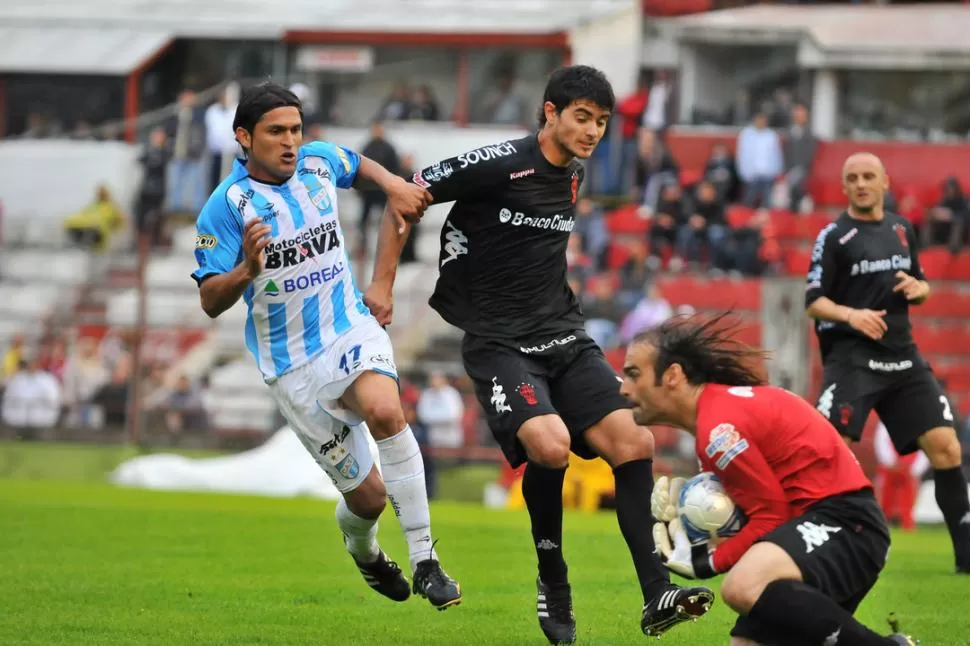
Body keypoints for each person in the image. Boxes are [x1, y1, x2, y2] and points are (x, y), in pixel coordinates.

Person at [364, 65, 713, 644]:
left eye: (601, 122)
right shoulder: (499, 161)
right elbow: (405, 197)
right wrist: (382, 285)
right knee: (549, 446)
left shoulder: (572, 175)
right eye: (582, 117)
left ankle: (658, 593)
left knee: (637, 442)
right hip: (500, 341)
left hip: (562, 333)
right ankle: (554, 581)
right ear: (549, 113)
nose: (593, 131)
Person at [189, 82, 461, 609]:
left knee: (386, 409)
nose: (290, 141)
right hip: (291, 365)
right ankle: (363, 552)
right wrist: (246, 269)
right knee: (368, 498)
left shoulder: (316, 161)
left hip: (347, 328)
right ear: (244, 137)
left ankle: (426, 560)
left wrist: (394, 186)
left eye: (295, 129)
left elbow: (356, 163)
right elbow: (209, 301)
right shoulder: (226, 207)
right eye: (276, 132)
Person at [620, 314, 918, 646]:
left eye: (633, 374)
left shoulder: (718, 431)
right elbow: (763, 515)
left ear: (673, 375)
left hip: (846, 525)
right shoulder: (718, 417)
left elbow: (770, 516)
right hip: (821, 526)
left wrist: (709, 561)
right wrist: (707, 529)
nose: (623, 387)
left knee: (742, 586)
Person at [805, 152, 970, 573]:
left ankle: (966, 556)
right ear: (844, 187)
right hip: (852, 359)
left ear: (884, 182)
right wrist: (851, 315)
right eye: (853, 178)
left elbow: (920, 283)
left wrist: (921, 290)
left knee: (947, 447)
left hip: (901, 357)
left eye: (869, 177)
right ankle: (831, 547)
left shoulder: (901, 228)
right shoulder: (833, 236)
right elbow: (813, 302)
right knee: (834, 451)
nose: (861, 183)